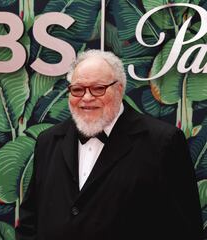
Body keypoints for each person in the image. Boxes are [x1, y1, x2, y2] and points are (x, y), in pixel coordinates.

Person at [16, 50, 203, 240]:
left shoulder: (163, 142)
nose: (87, 98)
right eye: (78, 89)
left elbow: (185, 230)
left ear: (119, 89)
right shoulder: (48, 141)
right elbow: (30, 220)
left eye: (98, 88)